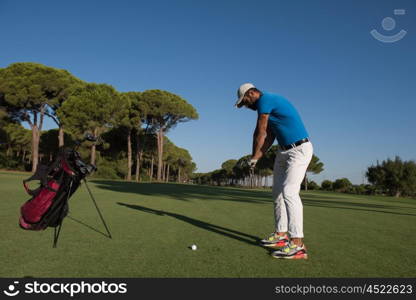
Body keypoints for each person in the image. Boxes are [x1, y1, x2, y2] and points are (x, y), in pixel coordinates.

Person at [235, 83, 313, 259]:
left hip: (299, 150)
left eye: (245, 100)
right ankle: (280, 235)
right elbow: (268, 137)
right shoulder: (268, 108)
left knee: (289, 192)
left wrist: (253, 155)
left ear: (252, 92)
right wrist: (255, 158)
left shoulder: (265, 100)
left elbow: (259, 133)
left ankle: (298, 244)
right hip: (283, 151)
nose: (245, 105)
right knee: (277, 192)